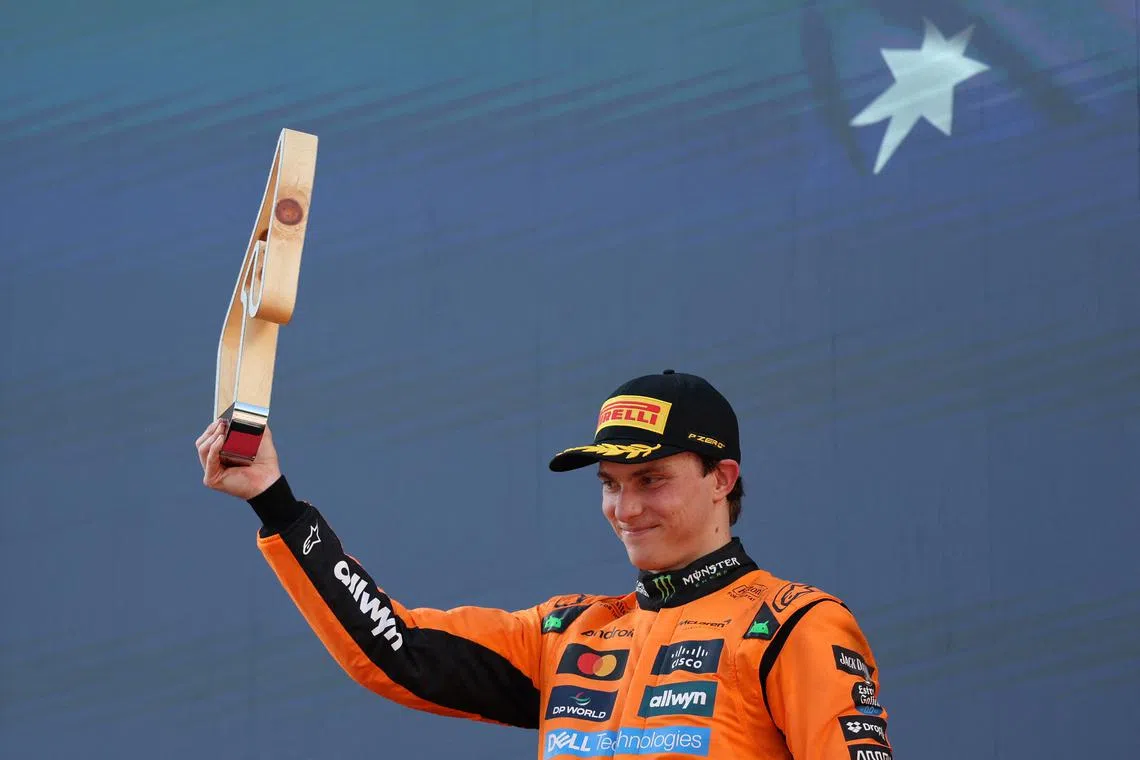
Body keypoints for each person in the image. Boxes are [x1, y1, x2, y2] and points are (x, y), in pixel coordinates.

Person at [197, 369, 892, 759]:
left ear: (722, 477)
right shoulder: (570, 635)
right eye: (610, 485)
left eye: (651, 479)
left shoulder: (797, 626)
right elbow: (398, 651)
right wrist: (276, 503)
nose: (625, 508)